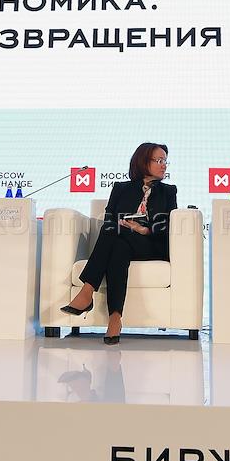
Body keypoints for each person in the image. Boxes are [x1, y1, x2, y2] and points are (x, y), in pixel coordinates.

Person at [61, 142, 176, 345]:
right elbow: (109, 219)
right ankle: (115, 318)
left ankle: (87, 291)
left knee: (114, 233)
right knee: (117, 245)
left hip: (150, 245)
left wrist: (143, 229)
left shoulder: (168, 191)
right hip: (122, 240)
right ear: (143, 161)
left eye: (165, 161)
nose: (164, 165)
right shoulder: (121, 188)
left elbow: (167, 225)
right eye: (159, 160)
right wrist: (125, 225)